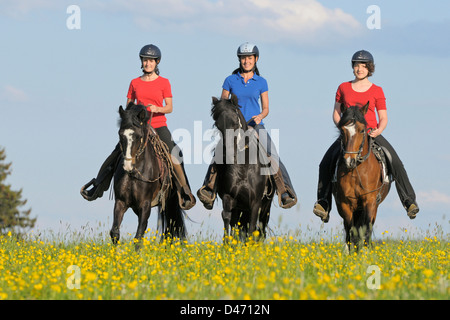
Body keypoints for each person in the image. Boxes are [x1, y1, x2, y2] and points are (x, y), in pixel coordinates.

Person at [81, 44, 196, 210]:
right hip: (138, 128)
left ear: (157, 62)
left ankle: (185, 192)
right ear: (141, 62)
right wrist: (134, 113)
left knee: (175, 154)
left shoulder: (164, 83)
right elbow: (128, 106)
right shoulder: (134, 83)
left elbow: (169, 107)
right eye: (145, 60)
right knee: (116, 153)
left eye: (151, 61)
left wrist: (157, 108)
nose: (147, 63)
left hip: (158, 125)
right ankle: (97, 186)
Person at [313, 50, 419, 222]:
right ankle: (323, 203)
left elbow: (383, 117)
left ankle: (409, 201)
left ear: (370, 68)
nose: (359, 68)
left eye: (363, 65)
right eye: (356, 65)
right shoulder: (343, 87)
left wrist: (379, 130)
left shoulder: (377, 90)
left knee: (396, 162)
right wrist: (342, 129)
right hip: (348, 135)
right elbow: (336, 112)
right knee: (325, 163)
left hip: (370, 134)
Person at [197, 42, 297, 209]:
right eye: (243, 58)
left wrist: (259, 117)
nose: (246, 61)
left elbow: (266, 108)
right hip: (233, 127)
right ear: (239, 60)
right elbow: (222, 104)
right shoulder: (230, 80)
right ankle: (209, 188)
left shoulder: (261, 82)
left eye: (249, 58)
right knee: (218, 154)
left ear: (255, 59)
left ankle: (285, 191)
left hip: (255, 126)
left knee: (272, 154)